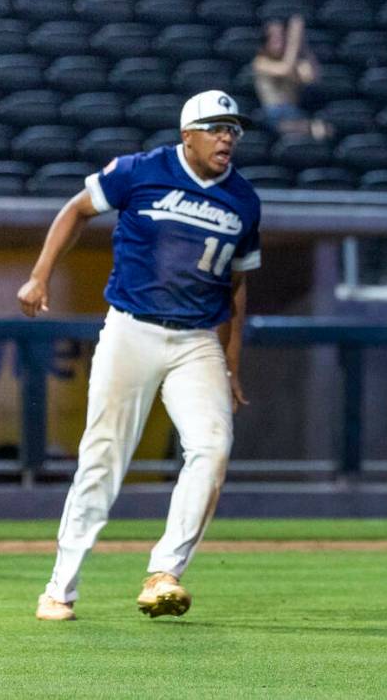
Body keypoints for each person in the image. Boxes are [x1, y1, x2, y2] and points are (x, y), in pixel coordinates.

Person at [18, 90, 262, 621]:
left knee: (213, 447)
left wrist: (232, 362)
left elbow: (236, 290)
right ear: (188, 135)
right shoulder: (141, 171)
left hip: (197, 340)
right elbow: (76, 209)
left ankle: (164, 573)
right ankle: (60, 588)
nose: (228, 138)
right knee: (103, 458)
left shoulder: (243, 199)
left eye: (234, 130)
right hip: (132, 329)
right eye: (217, 128)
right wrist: (39, 274)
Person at [252, 15, 330, 139]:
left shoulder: (294, 62)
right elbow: (285, 69)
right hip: (274, 114)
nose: (280, 42)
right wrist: (294, 41)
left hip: (295, 112)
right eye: (274, 38)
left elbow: (313, 77)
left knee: (324, 129)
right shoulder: (260, 62)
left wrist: (303, 45)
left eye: (283, 37)